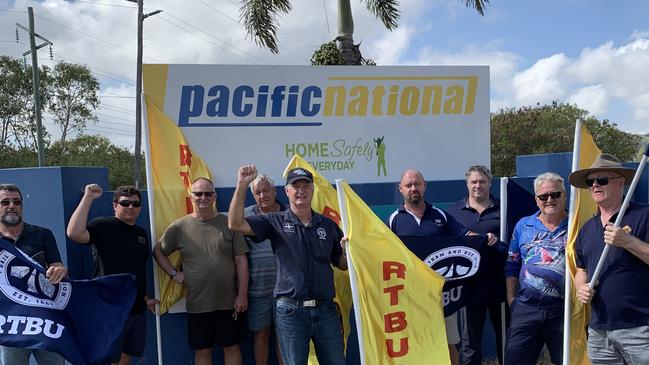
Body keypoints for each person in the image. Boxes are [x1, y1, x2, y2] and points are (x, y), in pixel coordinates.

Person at [228, 165, 347, 365]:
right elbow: (235, 223)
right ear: (287, 191)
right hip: (291, 311)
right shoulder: (274, 221)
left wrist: (347, 252)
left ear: (312, 189)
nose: (301, 191)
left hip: (326, 311)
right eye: (295, 186)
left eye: (305, 186)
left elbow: (342, 265)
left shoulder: (328, 225)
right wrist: (241, 185)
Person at [388, 169, 497, 365]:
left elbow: (464, 235)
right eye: (409, 185)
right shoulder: (394, 219)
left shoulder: (440, 215)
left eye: (417, 184)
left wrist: (483, 239)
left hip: (443, 295)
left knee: (449, 344)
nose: (414, 188)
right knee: (414, 345)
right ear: (401, 189)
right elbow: (380, 248)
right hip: (410, 296)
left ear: (425, 186)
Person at [154, 177, 248, 365]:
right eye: (198, 194)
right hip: (198, 303)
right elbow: (158, 251)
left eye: (207, 193)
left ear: (214, 197)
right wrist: (174, 274)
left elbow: (241, 260)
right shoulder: (179, 227)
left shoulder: (230, 224)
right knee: (203, 350)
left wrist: (242, 294)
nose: (203, 197)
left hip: (229, 302)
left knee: (232, 347)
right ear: (191, 196)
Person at [570, 153, 649, 365]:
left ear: (620, 182)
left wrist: (628, 242)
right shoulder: (586, 229)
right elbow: (581, 269)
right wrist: (580, 287)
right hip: (599, 332)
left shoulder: (644, 214)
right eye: (590, 182)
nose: (595, 185)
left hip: (640, 329)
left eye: (602, 180)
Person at [66, 184, 158, 365]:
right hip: (110, 309)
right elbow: (74, 233)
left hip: (136, 309)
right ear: (115, 205)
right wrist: (88, 197)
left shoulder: (141, 233)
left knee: (126, 356)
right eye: (125, 203)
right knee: (109, 358)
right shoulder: (103, 225)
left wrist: (145, 298)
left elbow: (137, 268)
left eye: (135, 203)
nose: (131, 207)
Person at [0, 183, 68, 365]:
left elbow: (57, 265)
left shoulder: (42, 235)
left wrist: (60, 270)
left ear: (22, 205)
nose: (11, 206)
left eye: (16, 202)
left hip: (44, 320)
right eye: (5, 202)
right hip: (10, 324)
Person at [446, 165, 507, 365]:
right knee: (470, 343)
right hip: (469, 285)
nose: (478, 185)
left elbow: (515, 242)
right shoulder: (453, 212)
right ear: (467, 184)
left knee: (506, 338)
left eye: (482, 181)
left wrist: (497, 241)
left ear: (490, 182)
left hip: (500, 283)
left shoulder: (504, 207)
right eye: (474, 182)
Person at [504, 172, 567, 365]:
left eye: (555, 194)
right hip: (526, 308)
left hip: (563, 310)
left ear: (564, 195)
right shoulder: (523, 225)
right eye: (543, 196)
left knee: (568, 360)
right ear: (536, 200)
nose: (550, 199)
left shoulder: (576, 224)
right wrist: (511, 299)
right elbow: (512, 263)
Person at [245, 174, 286, 365]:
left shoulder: (290, 213)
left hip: (288, 291)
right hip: (258, 290)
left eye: (266, 190)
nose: (262, 195)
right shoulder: (245, 217)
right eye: (257, 192)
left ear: (275, 191)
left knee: (283, 336)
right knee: (261, 334)